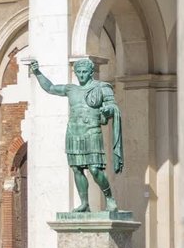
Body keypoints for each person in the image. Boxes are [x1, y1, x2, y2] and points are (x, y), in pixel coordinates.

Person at [30, 58, 123, 212]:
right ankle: (85, 203)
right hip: (73, 133)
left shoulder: (102, 87)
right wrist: (37, 72)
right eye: (78, 72)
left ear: (91, 72)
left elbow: (112, 105)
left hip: (92, 131)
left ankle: (110, 199)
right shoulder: (70, 89)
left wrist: (109, 110)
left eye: (84, 72)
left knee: (94, 169)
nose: (81, 75)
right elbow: (50, 88)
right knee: (77, 169)